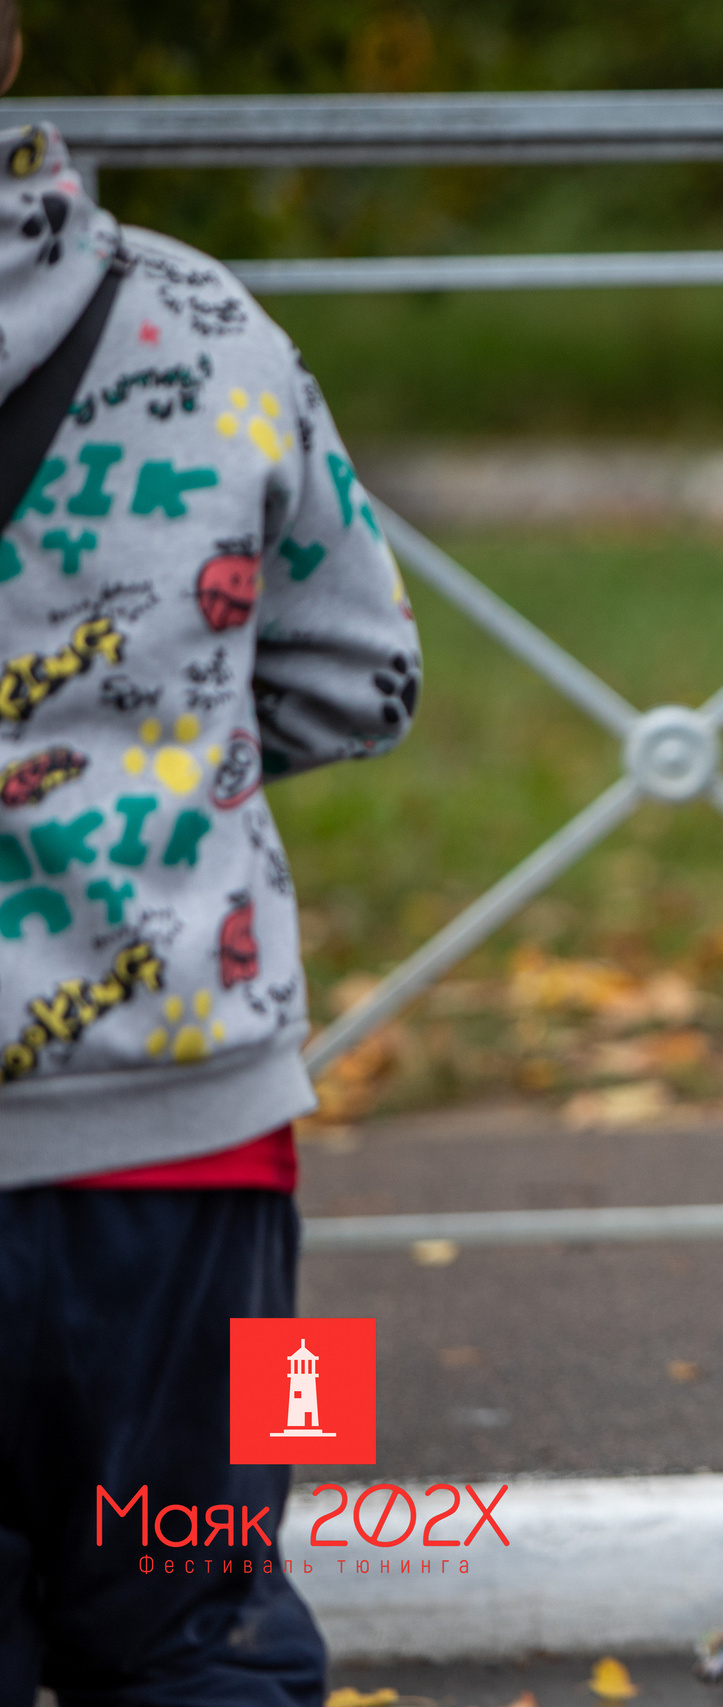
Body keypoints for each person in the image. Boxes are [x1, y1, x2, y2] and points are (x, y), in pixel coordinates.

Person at [0, 8, 421, 1694]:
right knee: (208, 1593)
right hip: (202, 1136)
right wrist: (159, 760)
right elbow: (358, 673)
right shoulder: (203, 320)